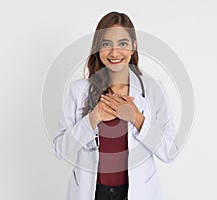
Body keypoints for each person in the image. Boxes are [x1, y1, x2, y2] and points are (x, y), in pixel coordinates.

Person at [53, 11, 177, 200]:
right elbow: (60, 150)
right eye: (106, 44)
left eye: (123, 43)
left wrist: (137, 118)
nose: (114, 52)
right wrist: (93, 118)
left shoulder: (153, 90)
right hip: (92, 193)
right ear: (97, 48)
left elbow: (169, 152)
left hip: (137, 192)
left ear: (133, 47)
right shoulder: (78, 90)